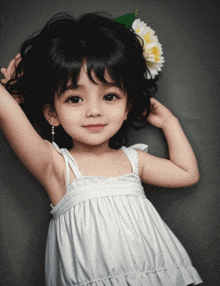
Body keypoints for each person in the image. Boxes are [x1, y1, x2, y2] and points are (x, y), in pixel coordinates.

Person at [0, 12, 203, 286]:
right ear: (52, 114)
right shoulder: (55, 166)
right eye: (74, 99)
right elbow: (6, 113)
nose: (94, 111)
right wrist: (12, 92)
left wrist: (169, 122)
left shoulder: (133, 160)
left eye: (110, 96)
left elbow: (186, 173)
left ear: (127, 106)